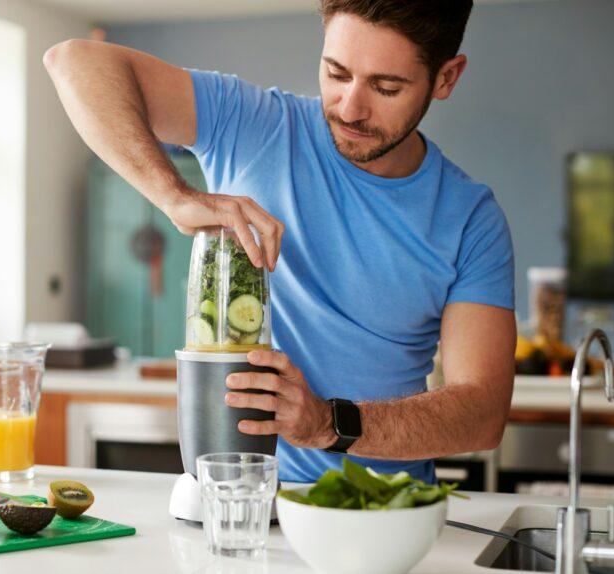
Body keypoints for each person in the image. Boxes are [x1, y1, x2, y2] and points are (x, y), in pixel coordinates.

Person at [44, 0, 516, 484]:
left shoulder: (470, 218)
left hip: (387, 516)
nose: (351, 108)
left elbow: (481, 413)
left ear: (446, 78)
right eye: (336, 73)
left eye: (386, 86)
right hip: (237, 506)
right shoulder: (253, 124)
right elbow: (74, 61)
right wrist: (174, 196)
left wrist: (327, 423)